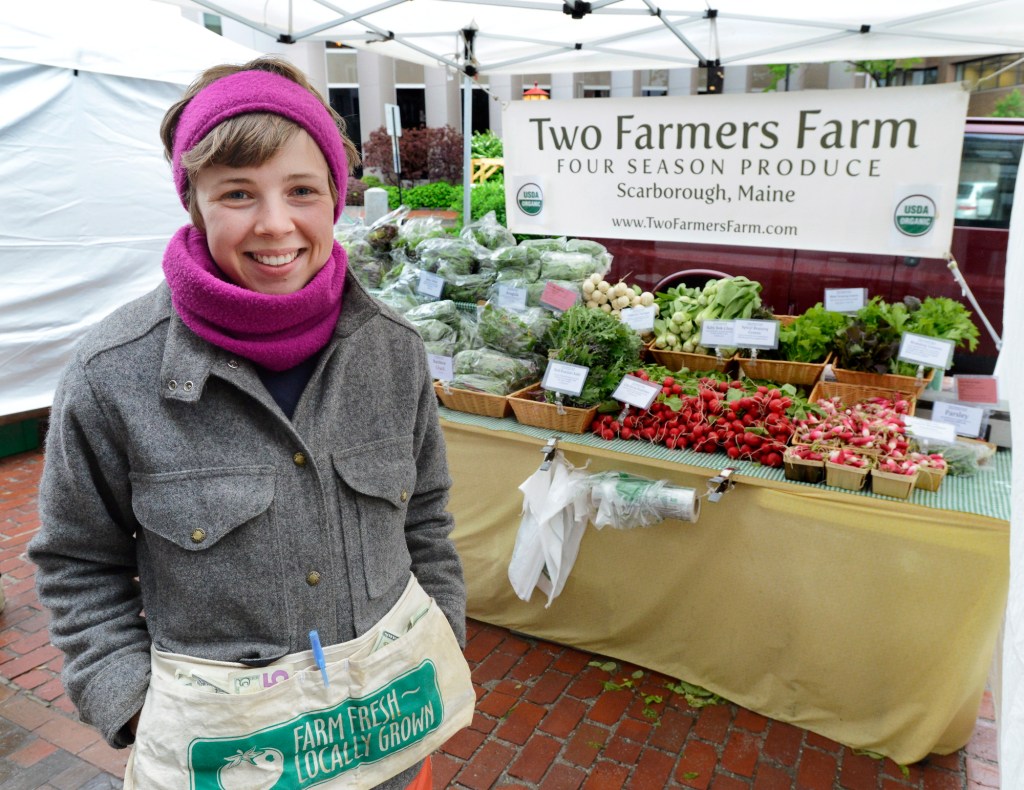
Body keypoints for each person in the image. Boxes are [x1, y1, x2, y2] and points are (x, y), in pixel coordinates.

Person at [28, 56, 473, 789]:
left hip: (391, 740)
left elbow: (424, 517)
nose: (275, 225)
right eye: (238, 193)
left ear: (336, 196)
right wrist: (134, 706)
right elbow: (78, 563)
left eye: (301, 189)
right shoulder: (112, 375)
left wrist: (442, 639)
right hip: (221, 761)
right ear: (195, 205)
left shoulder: (393, 350)